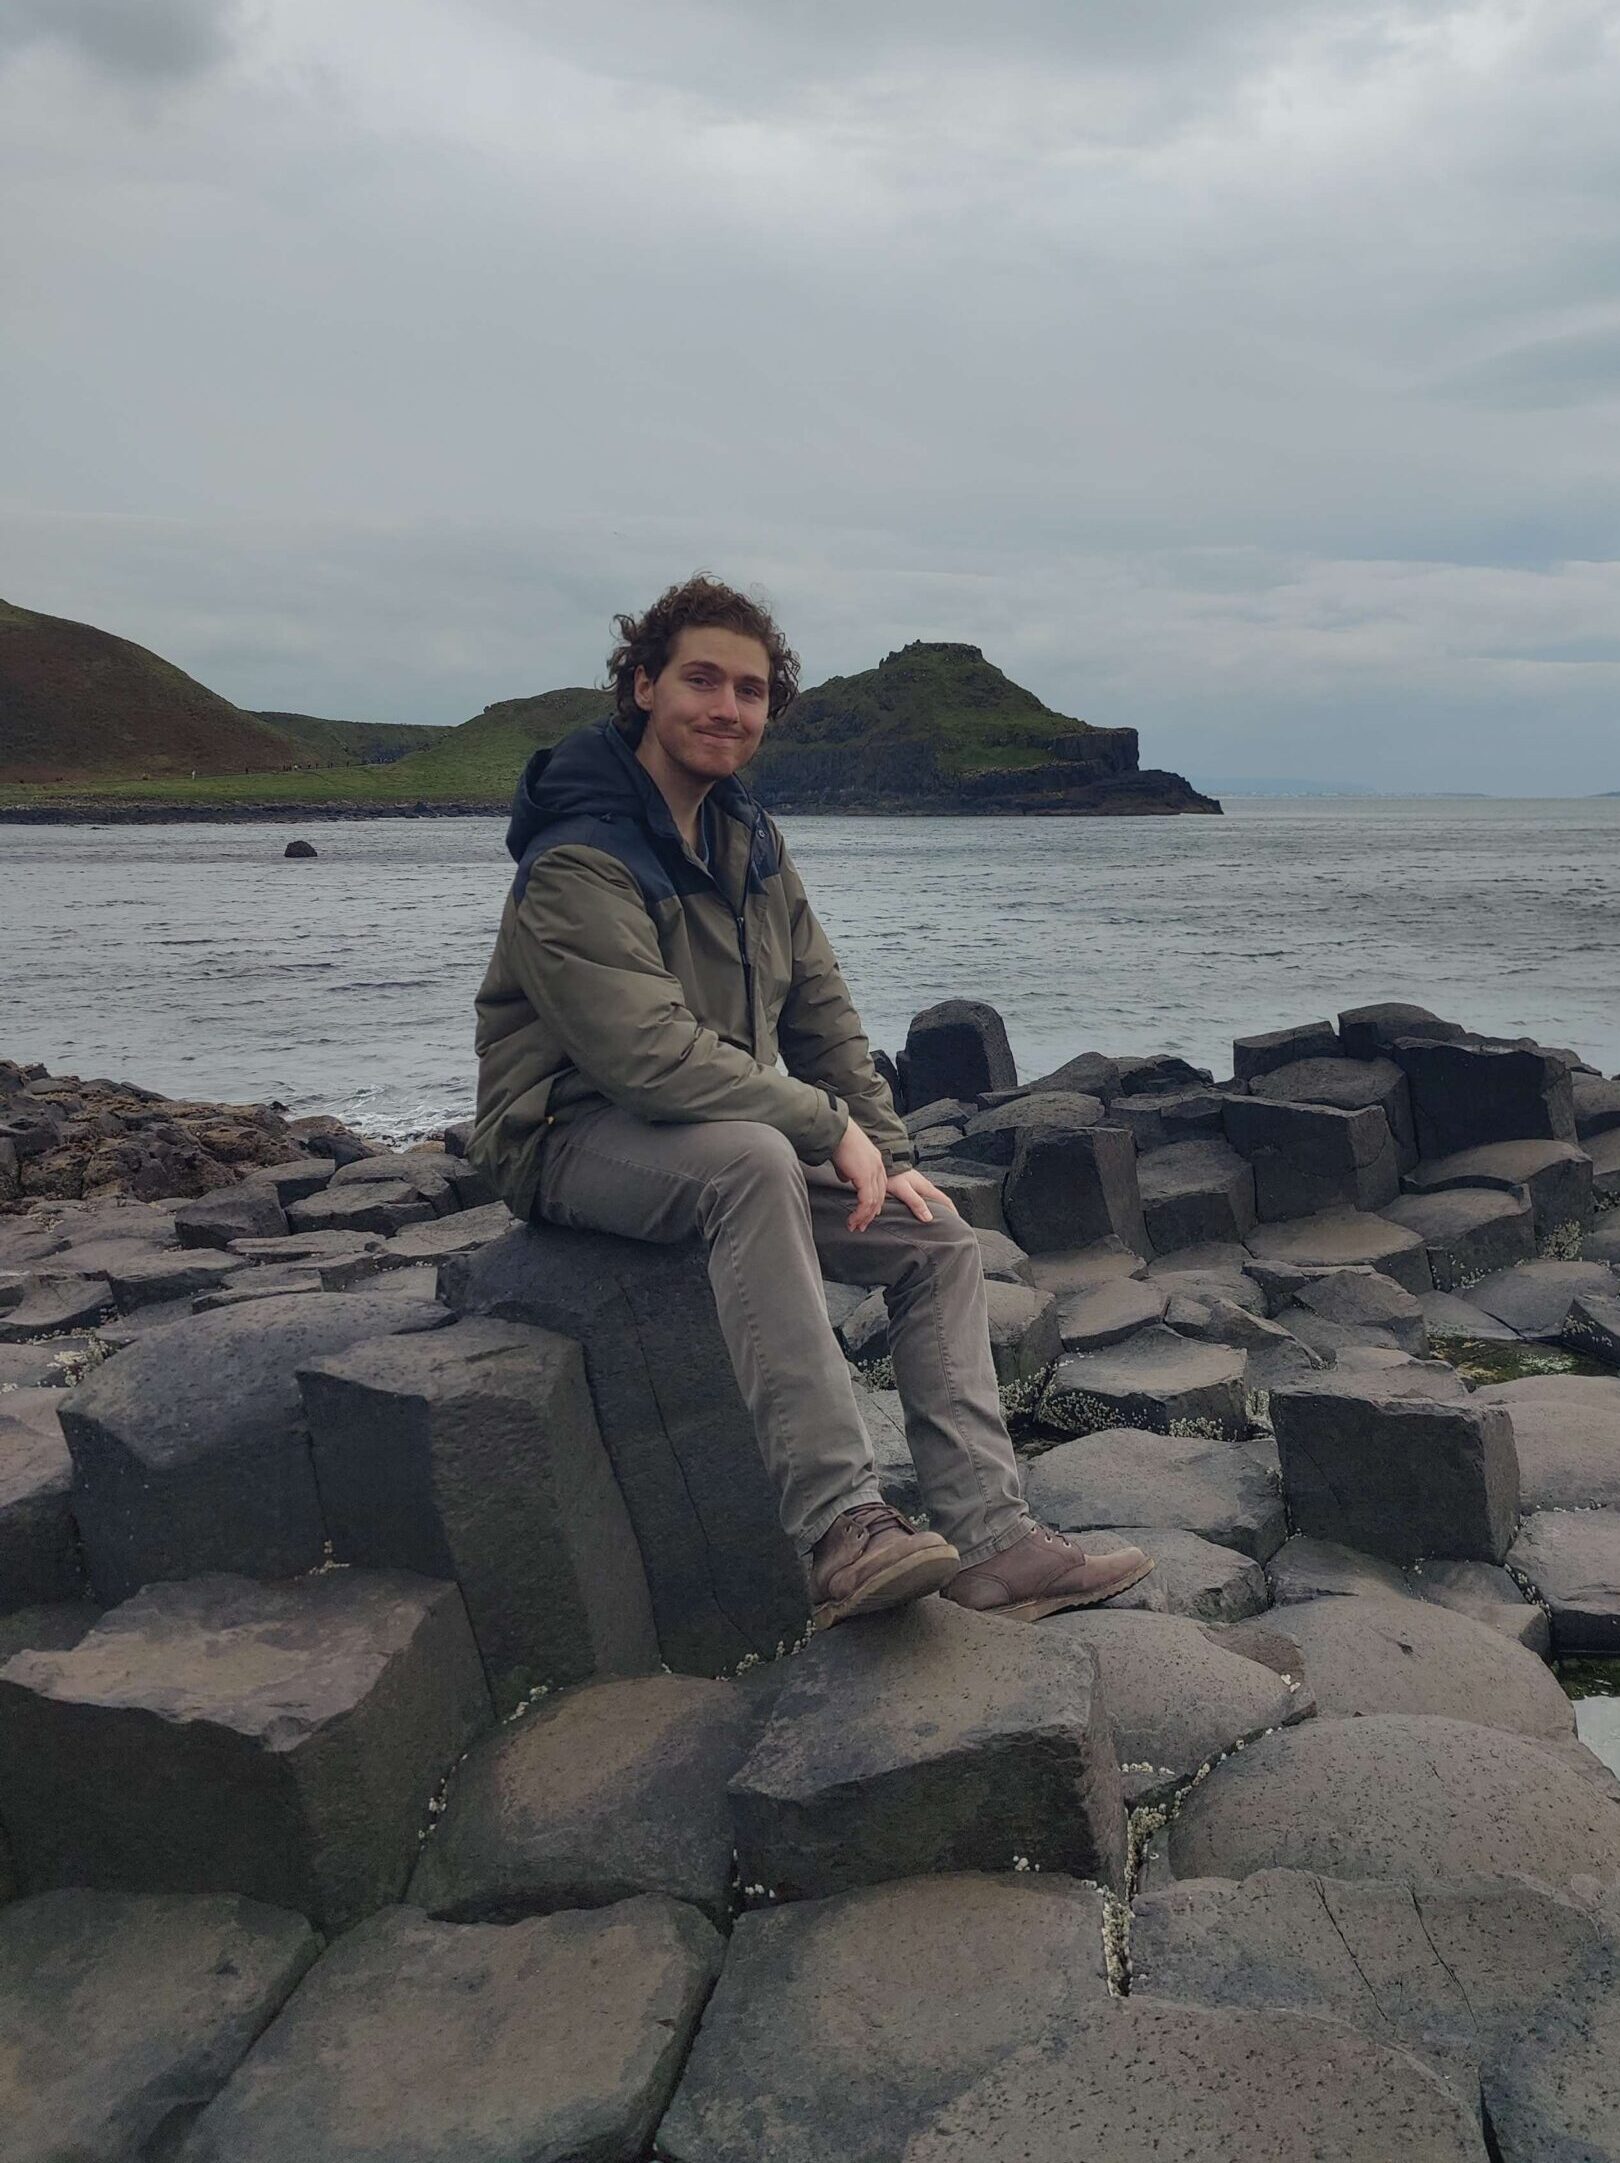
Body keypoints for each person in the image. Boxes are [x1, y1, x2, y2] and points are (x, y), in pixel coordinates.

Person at [471, 575, 1152, 1630]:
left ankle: (994, 1543)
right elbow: (645, 1058)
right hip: (567, 1133)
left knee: (939, 1239)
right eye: (701, 679)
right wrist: (824, 1128)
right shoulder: (579, 856)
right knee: (750, 1163)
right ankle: (845, 1528)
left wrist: (885, 1145)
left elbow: (822, 1015)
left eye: (749, 691)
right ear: (643, 685)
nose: (726, 708)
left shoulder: (751, 843)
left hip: (710, 1123)